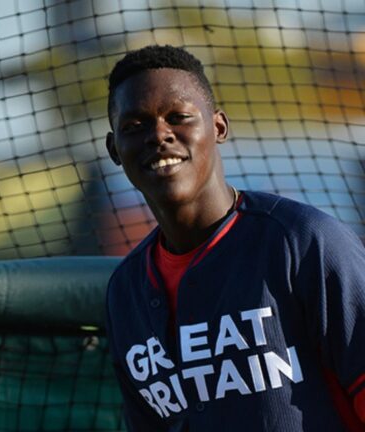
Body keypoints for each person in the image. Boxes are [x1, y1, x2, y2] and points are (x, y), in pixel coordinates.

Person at [103, 45, 365, 431]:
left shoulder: (303, 241)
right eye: (134, 126)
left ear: (218, 127)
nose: (159, 134)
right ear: (114, 149)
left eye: (179, 117)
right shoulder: (124, 292)